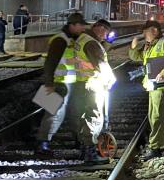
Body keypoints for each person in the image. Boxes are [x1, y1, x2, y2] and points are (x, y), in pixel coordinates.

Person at [35, 14, 111, 164]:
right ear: (72, 25)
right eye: (80, 25)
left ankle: (79, 141)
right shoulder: (60, 40)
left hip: (71, 82)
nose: (83, 28)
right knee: (52, 113)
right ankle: (42, 144)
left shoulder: (74, 39)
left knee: (72, 113)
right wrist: (48, 82)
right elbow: (50, 63)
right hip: (58, 82)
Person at [129, 20, 164, 161]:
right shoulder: (149, 46)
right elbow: (136, 57)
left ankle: (156, 147)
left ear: (154, 30)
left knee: (158, 117)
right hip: (153, 86)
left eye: (145, 31)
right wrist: (133, 47)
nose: (144, 34)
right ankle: (159, 145)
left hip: (163, 85)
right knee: (154, 116)